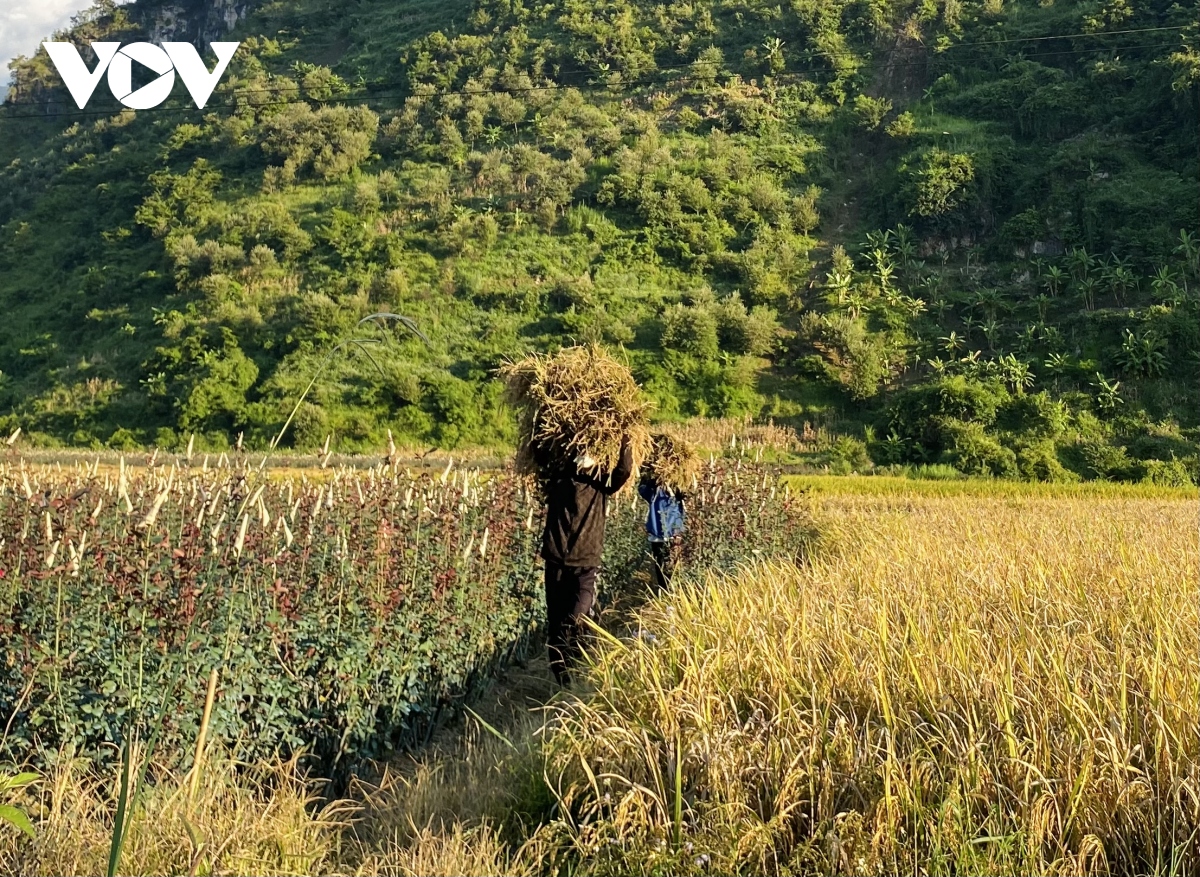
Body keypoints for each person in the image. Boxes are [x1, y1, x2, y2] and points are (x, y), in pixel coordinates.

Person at [536, 436, 634, 687]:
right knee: (556, 623)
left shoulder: (601, 479)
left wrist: (625, 439)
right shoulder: (559, 474)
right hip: (556, 558)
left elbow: (623, 471)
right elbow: (539, 455)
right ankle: (563, 679)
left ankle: (579, 667)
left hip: (586, 562)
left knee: (578, 617)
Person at [638, 472, 686, 593]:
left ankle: (671, 595)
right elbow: (642, 489)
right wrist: (649, 477)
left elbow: (685, 493)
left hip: (673, 535)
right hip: (658, 535)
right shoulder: (654, 491)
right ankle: (664, 595)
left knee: (672, 569)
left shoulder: (677, 491)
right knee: (661, 568)